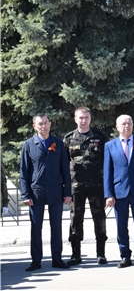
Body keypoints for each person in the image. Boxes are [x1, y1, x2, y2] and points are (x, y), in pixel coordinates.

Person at [20, 113, 72, 271]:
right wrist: (25, 194)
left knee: (56, 226)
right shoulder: (29, 145)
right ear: (34, 126)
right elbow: (24, 171)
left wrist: (67, 192)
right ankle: (36, 260)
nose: (43, 126)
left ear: (50, 124)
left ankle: (57, 258)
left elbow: (65, 169)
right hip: (36, 192)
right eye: (40, 124)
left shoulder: (58, 143)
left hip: (56, 191)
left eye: (45, 123)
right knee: (36, 228)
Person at [104, 115, 134, 268]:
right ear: (117, 127)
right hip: (119, 192)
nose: (127, 126)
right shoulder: (110, 146)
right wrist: (108, 194)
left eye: (129, 123)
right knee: (121, 226)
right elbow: (107, 171)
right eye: (123, 124)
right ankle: (125, 256)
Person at [63, 106, 109, 265]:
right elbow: (64, 164)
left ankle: (101, 253)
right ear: (75, 119)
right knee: (75, 219)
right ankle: (76, 254)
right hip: (76, 186)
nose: (83, 121)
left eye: (86, 118)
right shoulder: (68, 138)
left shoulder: (100, 136)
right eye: (80, 118)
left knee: (100, 218)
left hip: (97, 185)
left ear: (90, 119)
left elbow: (107, 161)